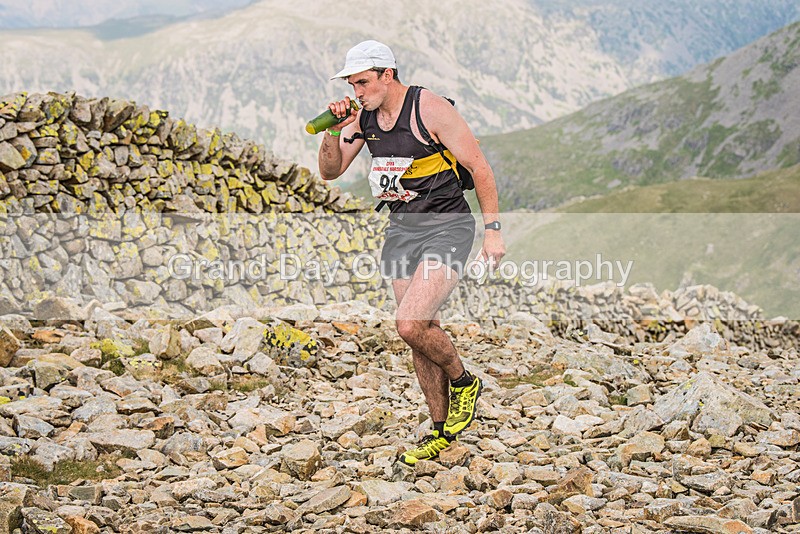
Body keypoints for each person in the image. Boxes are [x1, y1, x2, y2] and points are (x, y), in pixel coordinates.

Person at [317, 40, 505, 466]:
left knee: (409, 324)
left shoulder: (429, 109)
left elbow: (480, 167)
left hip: (447, 227)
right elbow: (329, 171)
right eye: (351, 83)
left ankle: (463, 380)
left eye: (363, 82)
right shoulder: (361, 117)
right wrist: (333, 127)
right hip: (402, 229)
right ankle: (440, 432)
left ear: (388, 75)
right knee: (422, 333)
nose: (357, 90)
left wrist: (493, 233)